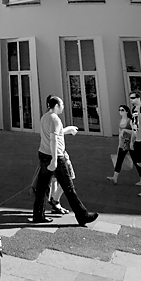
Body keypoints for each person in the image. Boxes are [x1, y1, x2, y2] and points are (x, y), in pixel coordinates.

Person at [32, 95, 98, 226]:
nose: (63, 107)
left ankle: (38, 215)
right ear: (56, 106)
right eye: (61, 105)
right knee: (68, 188)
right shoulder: (55, 119)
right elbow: (54, 139)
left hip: (43, 154)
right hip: (54, 156)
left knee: (42, 188)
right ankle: (83, 215)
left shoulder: (45, 117)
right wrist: (55, 160)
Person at [107, 104, 141, 185]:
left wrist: (125, 131)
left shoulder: (130, 121)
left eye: (122, 110)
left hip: (131, 142)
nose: (120, 112)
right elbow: (120, 133)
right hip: (123, 143)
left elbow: (135, 132)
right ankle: (115, 177)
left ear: (127, 111)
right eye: (119, 110)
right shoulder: (120, 121)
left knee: (136, 161)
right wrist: (119, 143)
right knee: (119, 160)